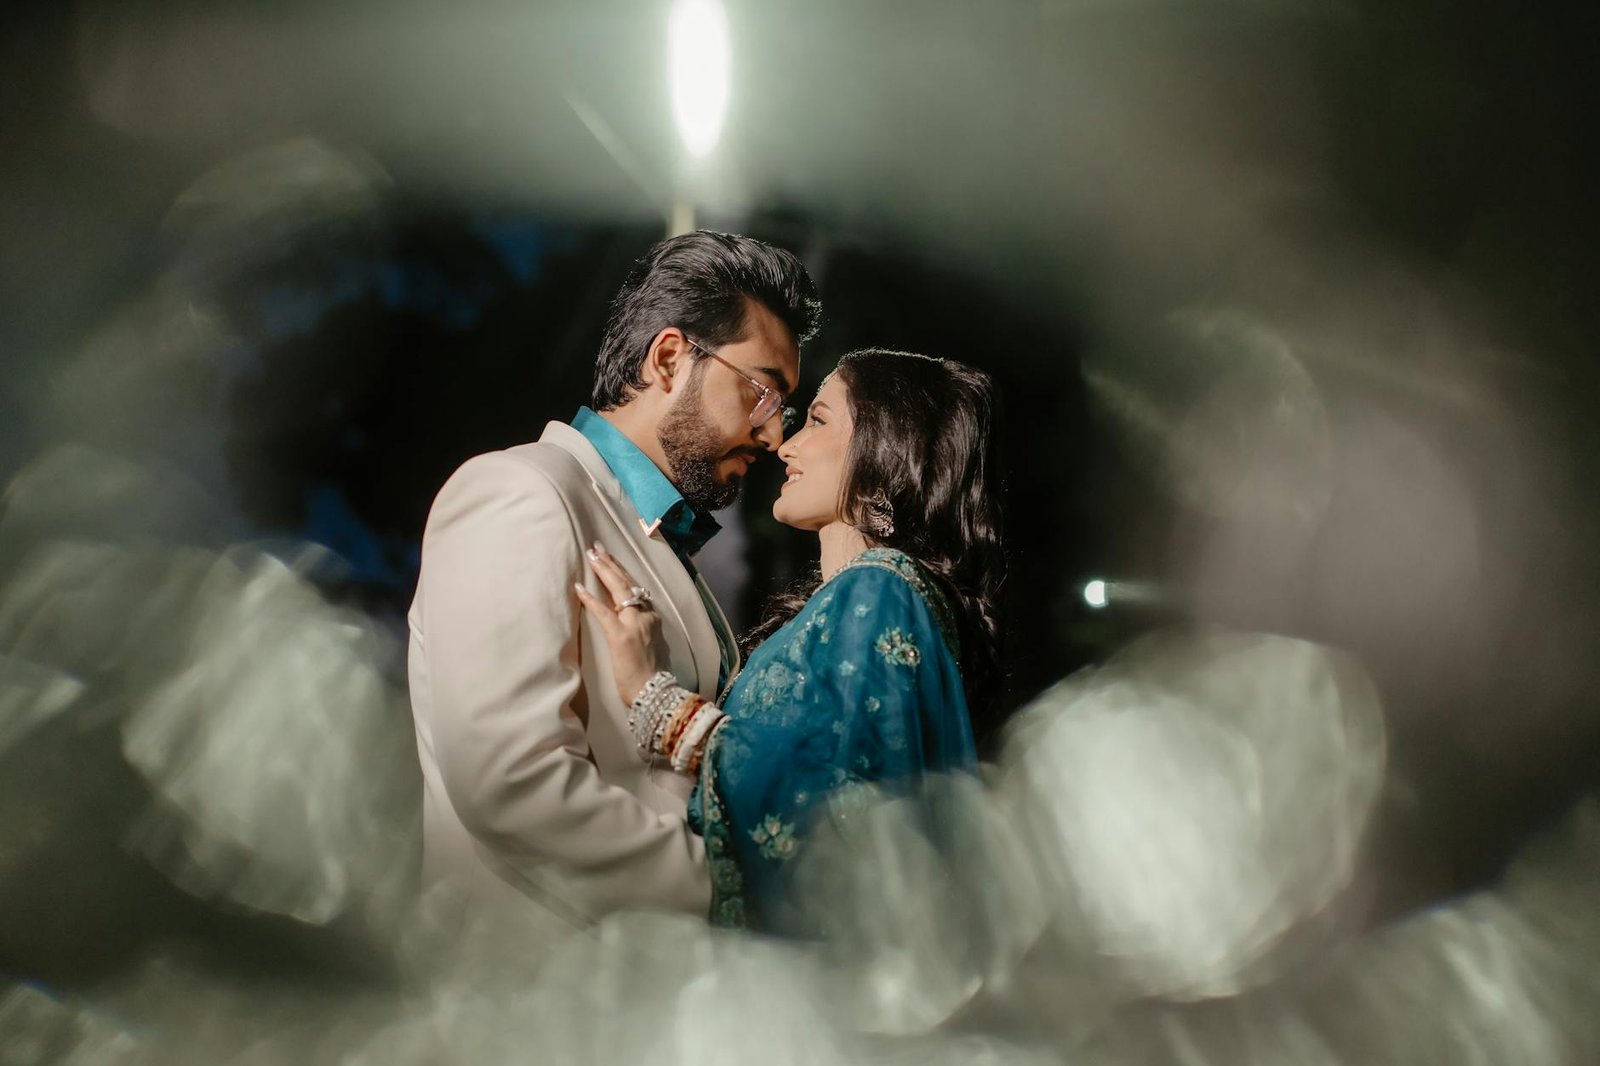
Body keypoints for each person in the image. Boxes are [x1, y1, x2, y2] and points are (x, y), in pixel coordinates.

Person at [407, 231, 820, 924]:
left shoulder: (656, 537)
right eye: (760, 393)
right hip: (527, 977)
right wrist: (727, 889)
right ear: (669, 359)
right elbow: (511, 783)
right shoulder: (522, 492)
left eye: (783, 408)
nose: (774, 435)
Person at [576, 349, 1007, 931]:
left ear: (885, 448)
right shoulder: (862, 598)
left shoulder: (882, 589)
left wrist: (660, 705)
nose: (784, 446)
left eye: (818, 420)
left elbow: (841, 807)